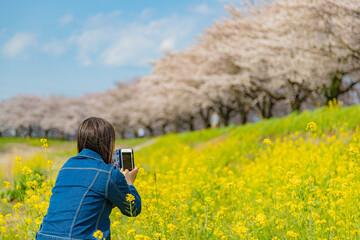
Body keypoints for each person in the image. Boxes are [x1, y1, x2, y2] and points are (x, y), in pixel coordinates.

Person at [36, 117, 141, 240]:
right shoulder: (109, 174)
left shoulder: (67, 166)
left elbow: (90, 203)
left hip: (43, 236)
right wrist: (129, 183)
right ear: (109, 143)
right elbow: (133, 209)